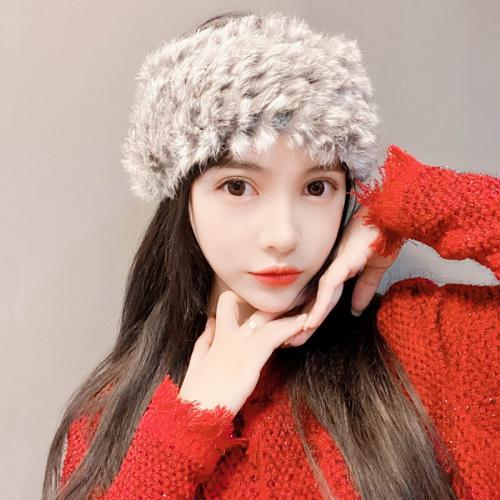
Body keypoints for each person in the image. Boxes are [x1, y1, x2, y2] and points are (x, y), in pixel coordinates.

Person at [41, 10, 499, 500]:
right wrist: (182, 435)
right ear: (183, 197)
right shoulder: (114, 425)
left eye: (317, 187)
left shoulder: (427, 345)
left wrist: (407, 197)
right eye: (238, 186)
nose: (282, 236)